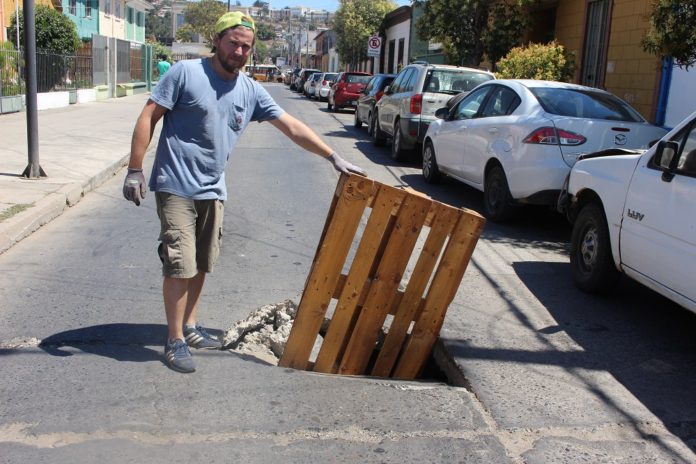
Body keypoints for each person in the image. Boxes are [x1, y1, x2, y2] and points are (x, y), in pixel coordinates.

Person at [123, 11, 366, 374]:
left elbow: (292, 127)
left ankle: (190, 327)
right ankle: (173, 339)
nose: (239, 51)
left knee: (203, 261)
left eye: (246, 47)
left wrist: (332, 155)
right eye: (234, 43)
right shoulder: (185, 73)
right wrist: (134, 169)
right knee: (180, 262)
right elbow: (149, 116)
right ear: (218, 39)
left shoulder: (250, 90)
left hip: (213, 188)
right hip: (174, 184)